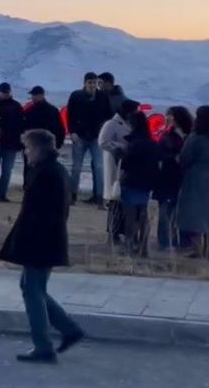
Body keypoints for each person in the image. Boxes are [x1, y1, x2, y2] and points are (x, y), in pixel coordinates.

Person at [0, 129, 85, 364]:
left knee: (32, 290)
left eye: (28, 148)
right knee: (32, 287)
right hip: (46, 238)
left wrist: (23, 241)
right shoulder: (53, 170)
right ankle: (68, 329)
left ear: (39, 149)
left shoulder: (46, 174)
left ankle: (44, 346)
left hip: (40, 239)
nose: (25, 153)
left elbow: (37, 212)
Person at [177, 106, 209, 259]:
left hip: (196, 177)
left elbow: (185, 158)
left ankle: (197, 248)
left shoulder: (196, 138)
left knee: (194, 212)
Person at [67, 73, 113, 207]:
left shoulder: (102, 97)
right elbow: (70, 115)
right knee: (76, 167)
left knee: (99, 167)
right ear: (85, 83)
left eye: (94, 83)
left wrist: (104, 132)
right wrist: (72, 131)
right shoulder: (76, 96)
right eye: (90, 83)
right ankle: (72, 195)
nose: (93, 85)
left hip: (96, 137)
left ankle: (100, 197)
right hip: (80, 136)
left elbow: (109, 116)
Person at [118, 112, 160, 258]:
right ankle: (143, 246)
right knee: (143, 214)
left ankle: (129, 245)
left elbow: (126, 163)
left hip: (131, 181)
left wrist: (119, 154)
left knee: (130, 214)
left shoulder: (133, 144)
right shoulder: (151, 143)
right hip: (146, 183)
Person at [99, 99, 139, 241]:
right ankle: (113, 231)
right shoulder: (111, 124)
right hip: (114, 162)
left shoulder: (131, 124)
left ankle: (122, 230)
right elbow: (103, 142)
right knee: (114, 198)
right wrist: (121, 147)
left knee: (123, 199)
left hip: (126, 164)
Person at [154, 107, 192, 251]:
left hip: (181, 177)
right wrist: (173, 157)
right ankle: (165, 241)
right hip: (167, 176)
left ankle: (178, 240)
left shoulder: (189, 135)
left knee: (178, 210)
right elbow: (159, 154)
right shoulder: (166, 135)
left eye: (171, 116)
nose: (167, 118)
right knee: (166, 210)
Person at [21, 86, 66, 189]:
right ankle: (29, 187)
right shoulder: (29, 111)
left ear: (41, 95)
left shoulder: (51, 111)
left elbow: (59, 129)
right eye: (32, 95)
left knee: (42, 169)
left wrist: (57, 144)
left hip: (43, 147)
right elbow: (23, 129)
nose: (33, 97)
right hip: (33, 146)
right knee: (31, 169)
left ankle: (34, 187)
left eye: (34, 95)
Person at [0, 83, 25, 202]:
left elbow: (21, 126)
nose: (5, 94)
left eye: (7, 92)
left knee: (7, 170)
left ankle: (2, 193)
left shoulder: (16, 107)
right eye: (3, 92)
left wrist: (20, 143)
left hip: (10, 144)